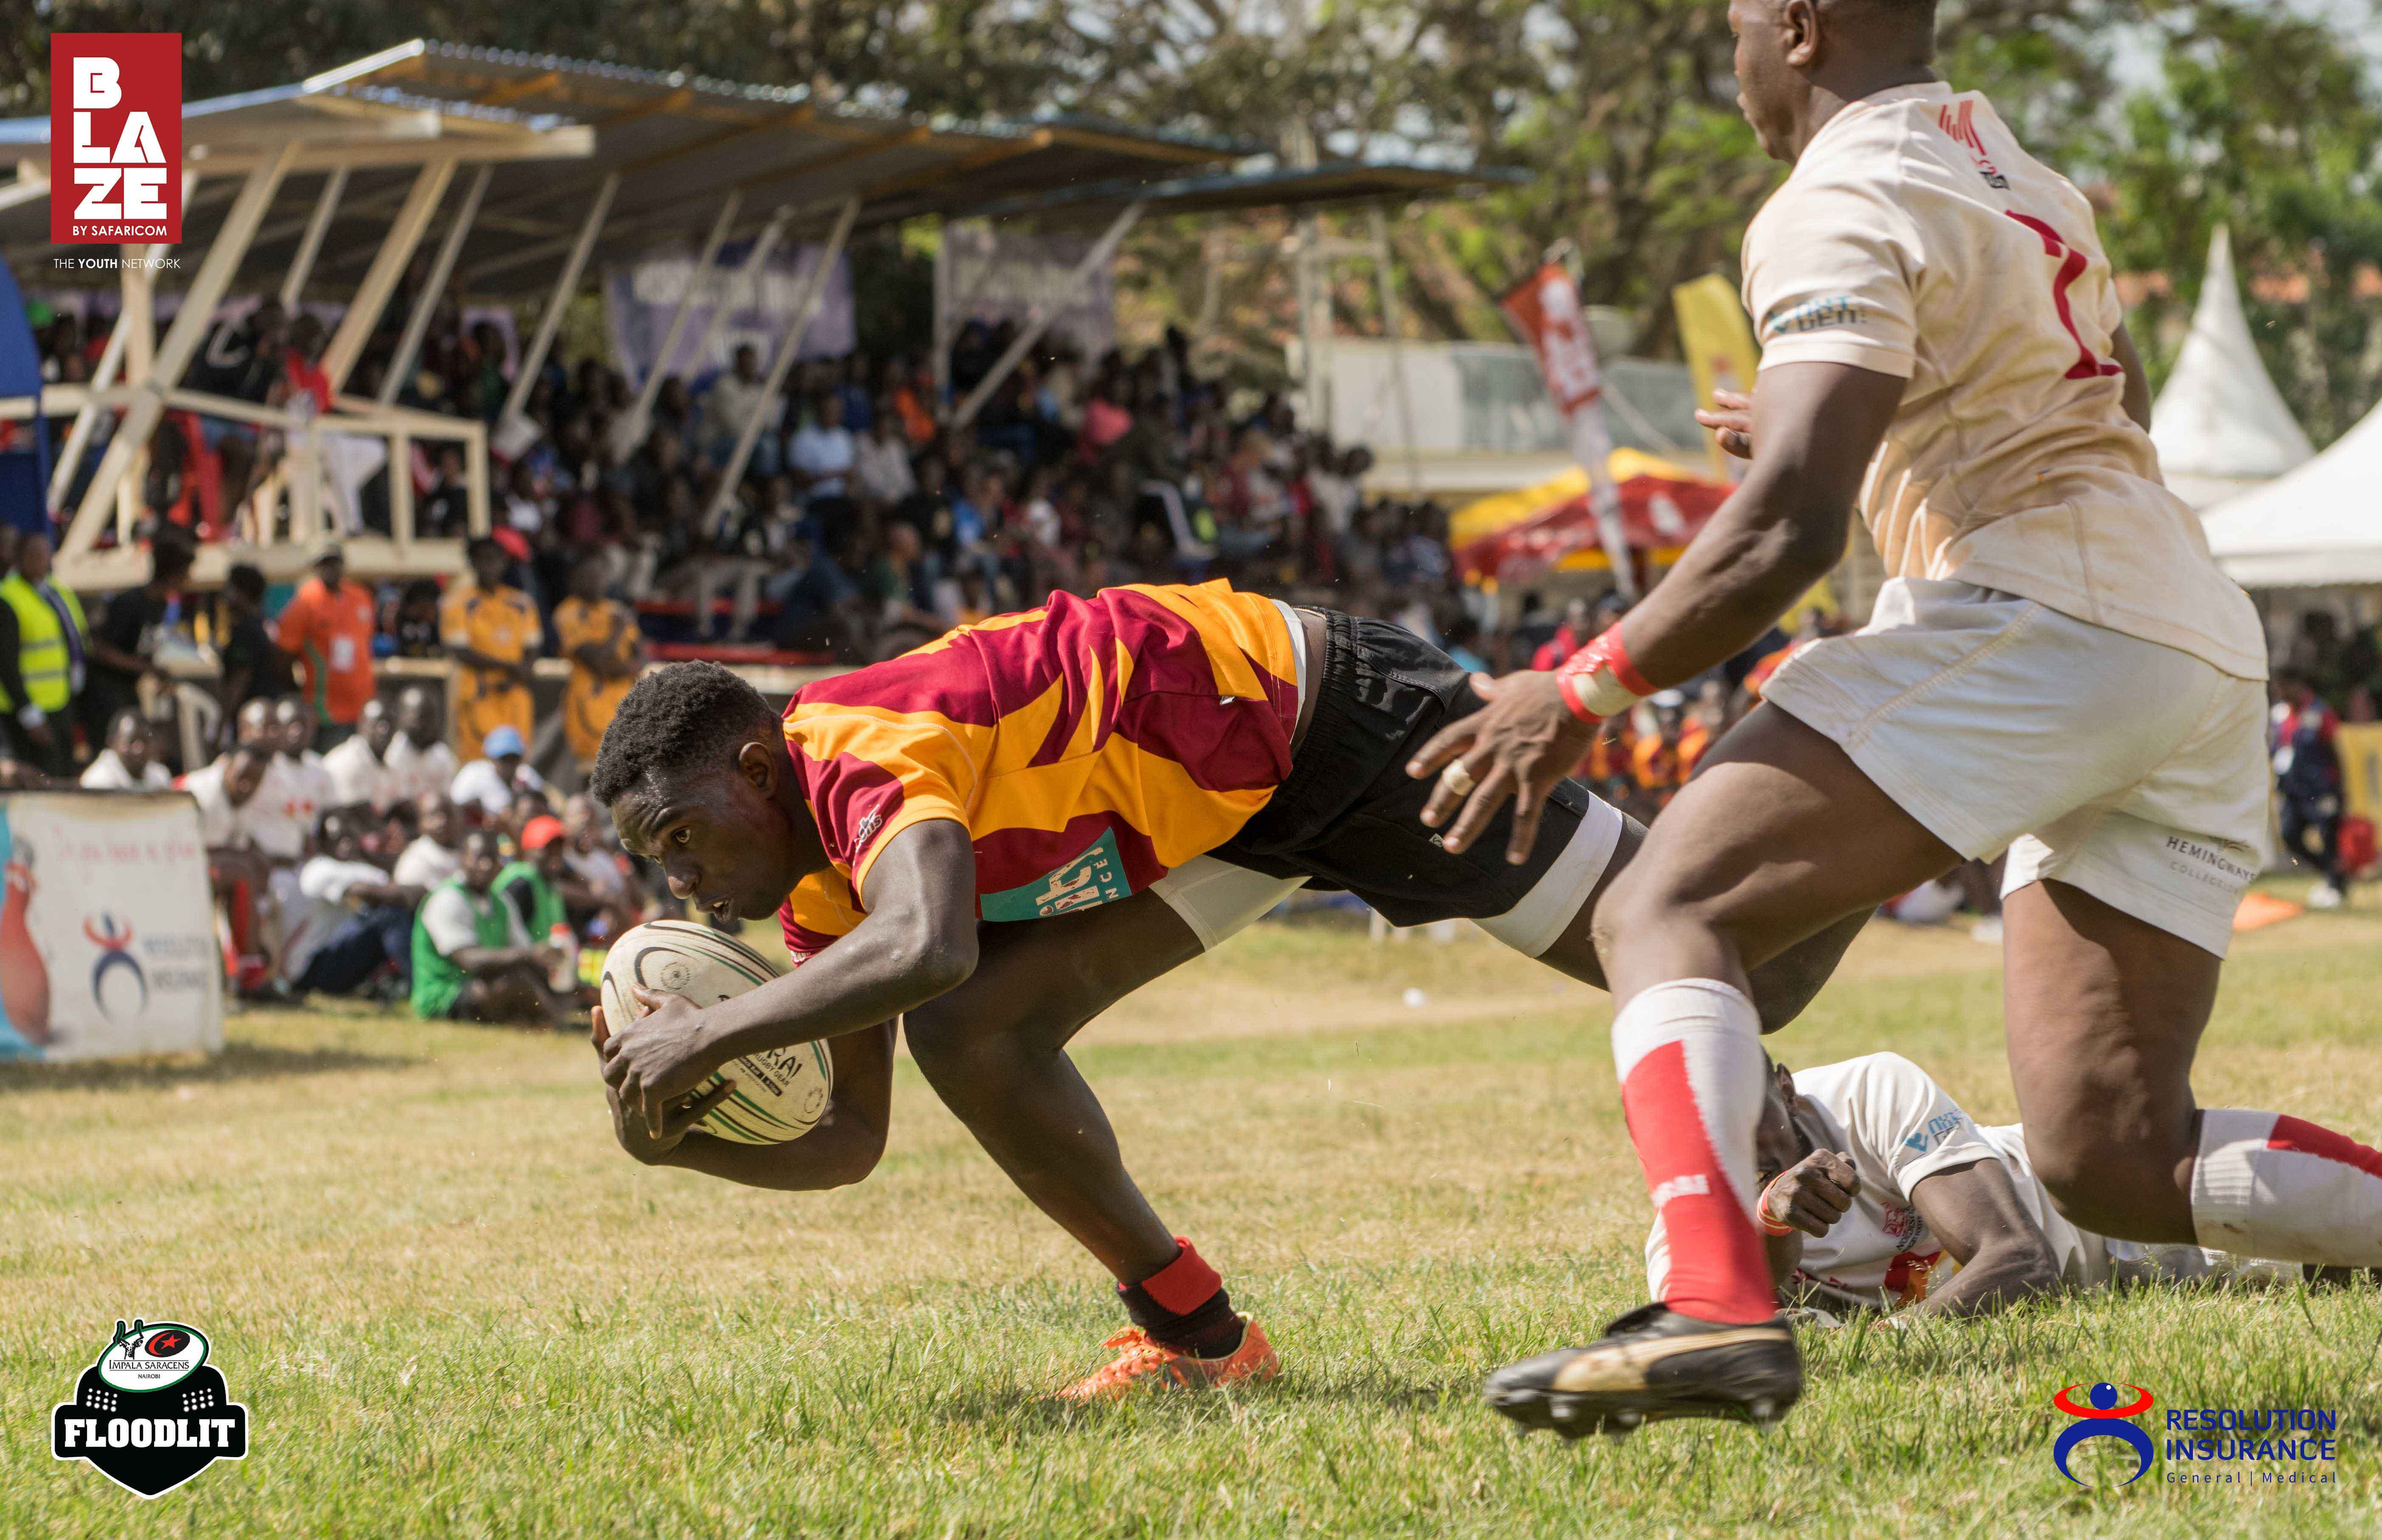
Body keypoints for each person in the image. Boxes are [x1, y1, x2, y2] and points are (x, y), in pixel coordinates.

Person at [1409, 0, 2382, 1436]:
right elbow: (2028, 418)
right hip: (2186, 632)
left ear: (1797, 27)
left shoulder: (1833, 192)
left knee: (1666, 902)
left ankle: (1714, 1306)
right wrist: (1844, 446)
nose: (1727, 53)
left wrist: (1583, 684)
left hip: (2052, 611)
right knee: (2108, 1152)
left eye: (1737, 22)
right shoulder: (2012, 166)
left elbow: (1789, 521)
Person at [583, 586, 1863, 1401]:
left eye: (684, 842)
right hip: (1214, 817)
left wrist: (709, 1030)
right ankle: (1199, 1338)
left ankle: (1883, 768)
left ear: (757, 766)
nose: (688, 886)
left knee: (1750, 963)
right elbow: (847, 1142)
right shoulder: (820, 896)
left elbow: (931, 946)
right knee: (974, 1040)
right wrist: (676, 1143)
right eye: (662, 868)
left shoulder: (855, 749)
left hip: (1330, 727)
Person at [1657, 1053, 2290, 1323]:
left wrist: (1889, 1346)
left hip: (2123, 1196)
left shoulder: (1868, 1090)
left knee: (2349, 1237)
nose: (1733, 1144)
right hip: (2114, 1253)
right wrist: (1769, 1220)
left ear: (1786, 1087)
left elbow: (2018, 1257)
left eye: (1746, 1111)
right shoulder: (1684, 1235)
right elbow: (1737, 1336)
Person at [410, 828, 575, 1026]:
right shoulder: (446, 898)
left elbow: (523, 948)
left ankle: (554, 1018)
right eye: (479, 858)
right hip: (445, 994)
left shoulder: (502, 901)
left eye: (493, 859)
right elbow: (469, 961)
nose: (486, 866)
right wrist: (530, 955)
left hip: (483, 983)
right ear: (462, 859)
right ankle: (557, 1022)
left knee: (545, 979)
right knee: (516, 983)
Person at [282, 808, 422, 999]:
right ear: (323, 843)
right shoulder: (317, 869)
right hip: (309, 968)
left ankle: (402, 979)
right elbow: (370, 892)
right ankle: (422, 987)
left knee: (394, 910)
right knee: (387, 915)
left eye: (349, 836)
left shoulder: (362, 868)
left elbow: (397, 891)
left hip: (339, 962)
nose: (345, 844)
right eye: (337, 838)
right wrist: (416, 891)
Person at [81, 534, 192, 744]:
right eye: (185, 574)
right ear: (173, 576)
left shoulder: (161, 605)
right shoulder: (130, 603)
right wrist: (147, 669)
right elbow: (99, 649)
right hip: (104, 692)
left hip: (128, 689)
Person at [0, 529, 89, 778]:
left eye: (45, 554)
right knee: (36, 777)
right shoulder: (7, 597)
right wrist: (29, 714)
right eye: (33, 554)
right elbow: (5, 663)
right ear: (19, 558)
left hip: (60, 701)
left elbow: (75, 639)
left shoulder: (57, 592)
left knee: (63, 772)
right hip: (26, 710)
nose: (40, 560)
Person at [441, 536, 540, 755]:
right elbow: (460, 651)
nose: (489, 567)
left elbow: (532, 646)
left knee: (518, 759)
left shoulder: (522, 603)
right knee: (479, 760)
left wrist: (518, 673)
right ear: (473, 563)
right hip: (479, 693)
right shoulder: (458, 602)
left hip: (513, 692)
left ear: (504, 562)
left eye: (494, 560)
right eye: (483, 560)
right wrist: (508, 667)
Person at [273, 543, 377, 744]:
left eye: (334, 563)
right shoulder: (305, 603)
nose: (330, 569)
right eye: (324, 564)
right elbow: (283, 657)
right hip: (326, 712)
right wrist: (300, 694)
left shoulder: (361, 598)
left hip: (362, 707)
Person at [553, 555, 644, 772]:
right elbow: (599, 664)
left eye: (600, 575)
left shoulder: (615, 609)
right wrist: (618, 631)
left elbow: (640, 654)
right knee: (594, 774)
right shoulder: (569, 612)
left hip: (623, 702)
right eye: (588, 575)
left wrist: (622, 667)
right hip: (590, 703)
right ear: (574, 580)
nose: (595, 581)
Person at [2271, 669, 2347, 908]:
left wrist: (2340, 789)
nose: (2280, 693)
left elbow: (2335, 751)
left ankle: (2335, 886)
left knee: (2328, 836)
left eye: (2284, 687)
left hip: (2321, 788)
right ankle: (2331, 874)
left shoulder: (2319, 711)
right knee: (2289, 835)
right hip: (2293, 789)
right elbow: (2279, 749)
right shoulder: (2280, 715)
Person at [215, 562, 293, 726]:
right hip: (272, 714)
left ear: (242, 593)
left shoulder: (245, 630)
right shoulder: (269, 625)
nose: (225, 595)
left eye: (230, 588)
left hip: (254, 719)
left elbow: (241, 678)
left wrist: (221, 726)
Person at [270, 696, 337, 842]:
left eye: (304, 725)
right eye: (291, 725)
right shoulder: (265, 768)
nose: (297, 732)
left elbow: (332, 814)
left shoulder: (320, 768)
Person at [322, 696, 403, 813]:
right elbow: (347, 815)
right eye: (378, 723)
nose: (384, 730)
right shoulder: (345, 761)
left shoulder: (391, 761)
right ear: (361, 725)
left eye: (390, 724)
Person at [450, 724, 546, 820]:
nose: (509, 764)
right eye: (504, 758)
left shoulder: (527, 775)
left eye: (514, 758)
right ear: (491, 757)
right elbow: (455, 806)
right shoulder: (474, 774)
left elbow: (546, 806)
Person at [385, 685, 460, 806]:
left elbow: (450, 799)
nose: (425, 724)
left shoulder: (442, 755)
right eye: (420, 717)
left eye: (431, 717)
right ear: (402, 716)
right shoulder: (391, 754)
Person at [79, 709, 172, 790]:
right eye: (131, 742)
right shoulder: (98, 781)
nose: (139, 750)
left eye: (145, 741)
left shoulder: (160, 776)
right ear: (112, 743)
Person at [393, 791, 465, 890]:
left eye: (448, 814)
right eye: (433, 816)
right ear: (421, 824)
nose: (442, 822)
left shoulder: (465, 851)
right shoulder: (417, 858)